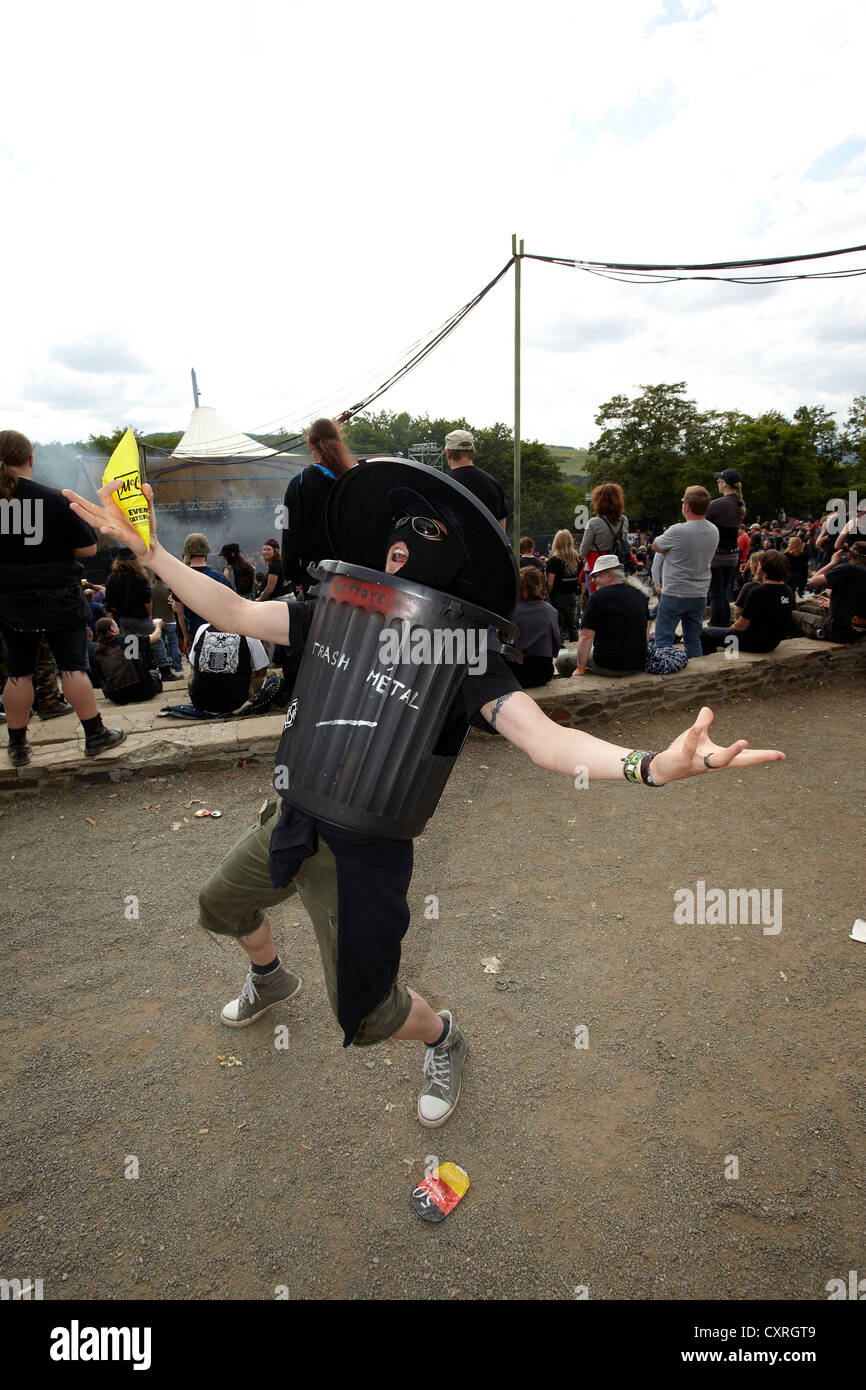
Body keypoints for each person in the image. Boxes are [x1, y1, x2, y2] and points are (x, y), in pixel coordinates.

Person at [65, 468, 785, 1130]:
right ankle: (270, 977)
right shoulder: (331, 612)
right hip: (290, 815)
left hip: (363, 853)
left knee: (369, 1013)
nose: (401, 556)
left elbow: (543, 738)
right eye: (397, 543)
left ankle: (444, 1036)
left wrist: (651, 766)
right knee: (220, 905)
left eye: (420, 549)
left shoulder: (465, 653)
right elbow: (234, 611)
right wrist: (149, 551)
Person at [0, 428, 124, 765]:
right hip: (59, 594)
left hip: (10, 598)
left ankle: (18, 747)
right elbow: (87, 547)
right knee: (72, 667)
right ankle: (95, 735)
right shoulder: (53, 498)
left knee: (18, 671)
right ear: (30, 459)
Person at [281, 418, 356, 597]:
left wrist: (292, 576)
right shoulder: (353, 480)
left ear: (310, 445)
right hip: (354, 578)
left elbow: (289, 533)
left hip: (314, 577)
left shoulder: (298, 484)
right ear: (339, 442)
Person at [650, 486, 719, 658]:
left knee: (663, 639)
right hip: (699, 593)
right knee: (693, 639)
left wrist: (671, 552)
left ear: (686, 506)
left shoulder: (678, 530)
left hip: (675, 592)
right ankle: (696, 670)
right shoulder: (713, 530)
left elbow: (656, 545)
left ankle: (664, 670)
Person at [699, 549, 794, 654]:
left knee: (704, 633)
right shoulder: (788, 591)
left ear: (762, 568)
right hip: (772, 642)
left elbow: (740, 626)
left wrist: (728, 629)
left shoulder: (758, 592)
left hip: (751, 642)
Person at [572, 554, 649, 677]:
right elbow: (647, 626)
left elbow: (586, 636)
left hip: (608, 665)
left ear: (609, 575)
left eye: (596, 576)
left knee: (562, 660)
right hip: (638, 663)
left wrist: (580, 669)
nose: (593, 580)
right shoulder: (639, 594)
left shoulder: (598, 597)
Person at [794, 542, 866, 642]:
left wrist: (832, 562)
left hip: (838, 630)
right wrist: (833, 603)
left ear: (849, 554)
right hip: (859, 629)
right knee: (804, 608)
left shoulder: (847, 569)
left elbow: (813, 581)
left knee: (792, 615)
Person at [443, 429, 507, 530]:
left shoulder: (443, 486)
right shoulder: (493, 484)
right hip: (489, 546)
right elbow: (502, 532)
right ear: (473, 451)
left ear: (448, 453)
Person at [175, 533, 230, 649]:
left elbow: (179, 612)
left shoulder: (179, 578)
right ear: (207, 551)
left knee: (196, 666)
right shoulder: (220, 578)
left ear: (187, 551)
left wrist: (185, 636)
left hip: (193, 632)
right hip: (216, 632)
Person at [706, 469, 746, 626]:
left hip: (717, 554)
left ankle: (716, 624)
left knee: (716, 593)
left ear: (725, 484)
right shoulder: (739, 503)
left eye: (719, 481)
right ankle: (723, 622)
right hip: (731, 554)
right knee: (722, 592)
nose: (718, 484)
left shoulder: (718, 504)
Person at [93, 616, 164, 703]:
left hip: (118, 697)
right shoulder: (128, 640)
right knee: (154, 674)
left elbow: (100, 679)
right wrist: (158, 625)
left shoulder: (98, 652)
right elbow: (156, 637)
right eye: (116, 625)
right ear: (112, 629)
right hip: (144, 692)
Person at [512, 564, 560, 687]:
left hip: (514, 672)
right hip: (542, 673)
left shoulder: (511, 610)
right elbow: (556, 645)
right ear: (538, 587)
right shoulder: (551, 610)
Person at [579, 483, 632, 595]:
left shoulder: (594, 522)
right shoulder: (624, 520)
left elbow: (583, 551)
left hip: (596, 569)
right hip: (616, 570)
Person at [545, 529, 581, 642]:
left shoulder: (553, 560)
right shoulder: (577, 559)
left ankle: (559, 649)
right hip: (572, 595)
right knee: (572, 625)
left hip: (557, 596)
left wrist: (547, 594)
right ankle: (575, 649)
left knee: (558, 624)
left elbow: (550, 583)